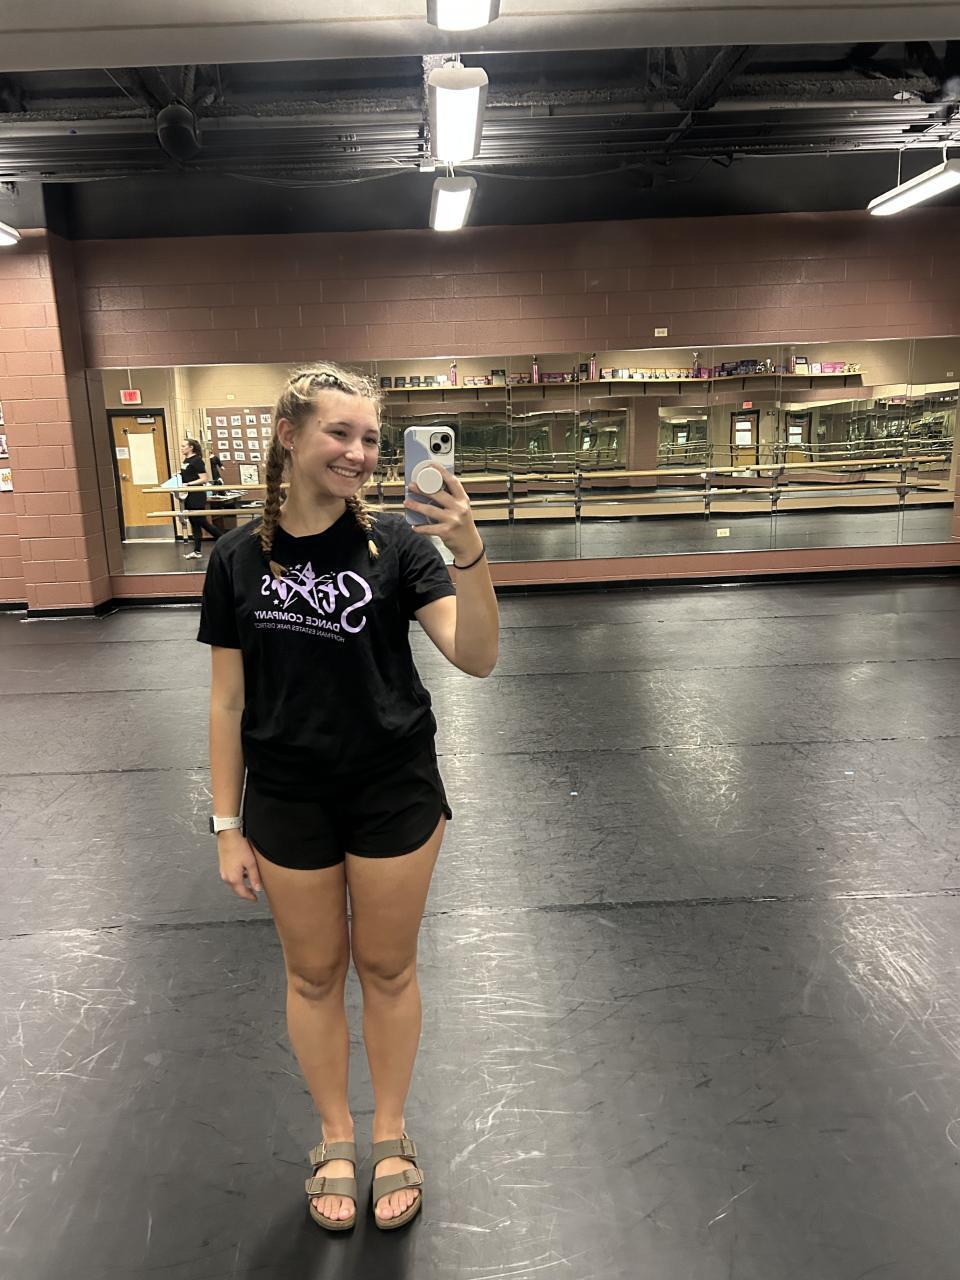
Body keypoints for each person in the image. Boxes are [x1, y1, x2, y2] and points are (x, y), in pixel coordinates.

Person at [197, 363, 499, 1233]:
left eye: (370, 437)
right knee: (313, 973)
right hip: (287, 796)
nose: (361, 453)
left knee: (389, 969)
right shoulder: (236, 558)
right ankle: (335, 1138)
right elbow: (226, 701)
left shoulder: (399, 546)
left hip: (391, 788)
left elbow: (477, 657)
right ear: (288, 435)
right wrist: (226, 825)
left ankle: (391, 1133)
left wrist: (469, 550)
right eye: (341, 432)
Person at [180, 438, 222, 559]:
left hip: (196, 495)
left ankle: (225, 539)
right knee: (194, 523)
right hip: (188, 495)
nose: (181, 448)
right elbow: (188, 475)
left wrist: (189, 484)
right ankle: (197, 551)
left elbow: (204, 479)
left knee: (202, 522)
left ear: (191, 447)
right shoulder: (186, 460)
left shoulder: (197, 460)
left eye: (183, 446)